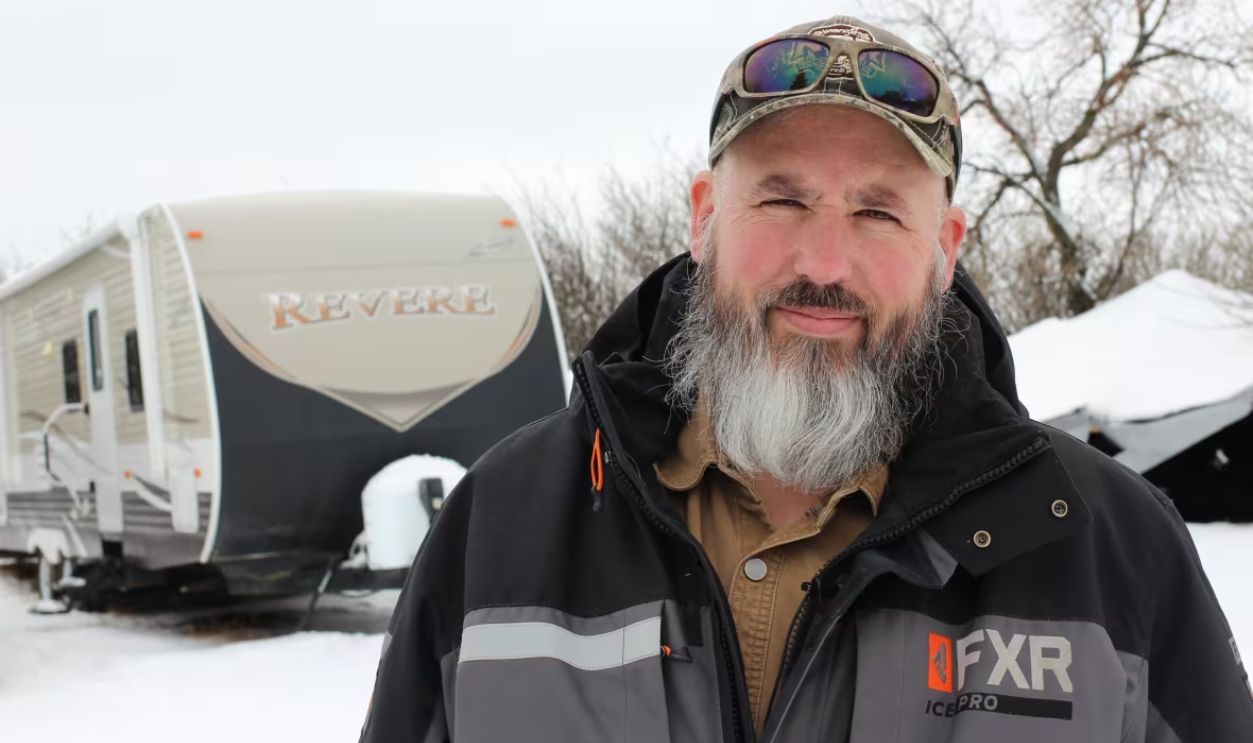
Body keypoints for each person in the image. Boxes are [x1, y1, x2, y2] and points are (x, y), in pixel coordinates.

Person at [359, 14, 1253, 742]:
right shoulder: (500, 528)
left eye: (877, 211)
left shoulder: (1110, 550)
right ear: (705, 217)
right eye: (781, 198)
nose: (824, 260)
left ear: (945, 251)